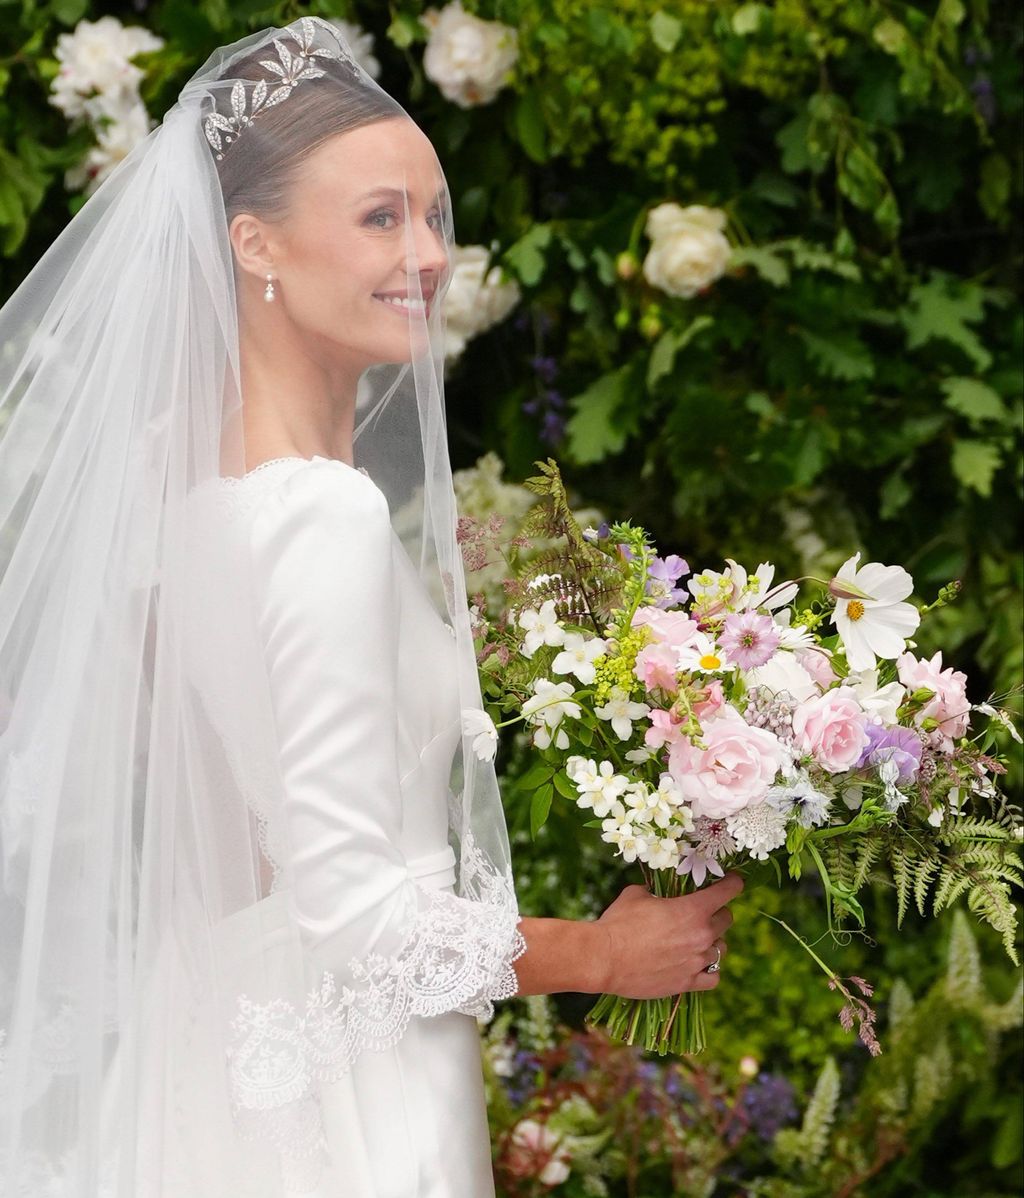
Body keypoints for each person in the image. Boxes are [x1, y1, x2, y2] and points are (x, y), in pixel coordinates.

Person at [0, 17, 742, 1196]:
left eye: (435, 216)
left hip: (228, 1045)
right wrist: (602, 951)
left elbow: (243, 847)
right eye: (381, 217)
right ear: (256, 244)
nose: (431, 254)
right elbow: (363, 918)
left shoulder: (190, 492)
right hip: (349, 1093)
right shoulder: (322, 517)